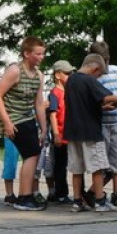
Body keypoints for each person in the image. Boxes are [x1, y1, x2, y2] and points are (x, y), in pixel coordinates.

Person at [64, 54, 117, 213]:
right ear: (95, 69)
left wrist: (102, 108)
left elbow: (84, 104)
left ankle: (77, 201)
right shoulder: (89, 80)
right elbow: (106, 96)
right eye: (99, 74)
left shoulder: (71, 80)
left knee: (77, 168)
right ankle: (100, 201)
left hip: (73, 131)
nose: (98, 77)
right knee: (98, 167)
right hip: (90, 131)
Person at [0, 36, 47, 211]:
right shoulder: (15, 71)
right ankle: (24, 197)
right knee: (32, 154)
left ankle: (28, 194)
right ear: (26, 53)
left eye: (43, 54)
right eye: (38, 54)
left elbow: (38, 103)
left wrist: (44, 128)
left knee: (32, 155)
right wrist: (7, 122)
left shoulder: (39, 75)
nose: (41, 57)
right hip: (14, 118)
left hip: (27, 117)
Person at [87, 42, 117, 208]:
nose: (104, 64)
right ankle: (96, 194)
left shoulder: (115, 70)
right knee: (100, 162)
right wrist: (103, 106)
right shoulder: (93, 76)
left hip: (116, 121)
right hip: (101, 123)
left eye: (106, 60)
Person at [46, 60, 74, 203]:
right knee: (60, 166)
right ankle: (60, 193)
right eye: (67, 73)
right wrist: (56, 134)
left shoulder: (69, 92)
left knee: (73, 165)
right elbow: (52, 114)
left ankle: (77, 192)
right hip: (60, 136)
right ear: (58, 75)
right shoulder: (55, 93)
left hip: (70, 136)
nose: (70, 76)